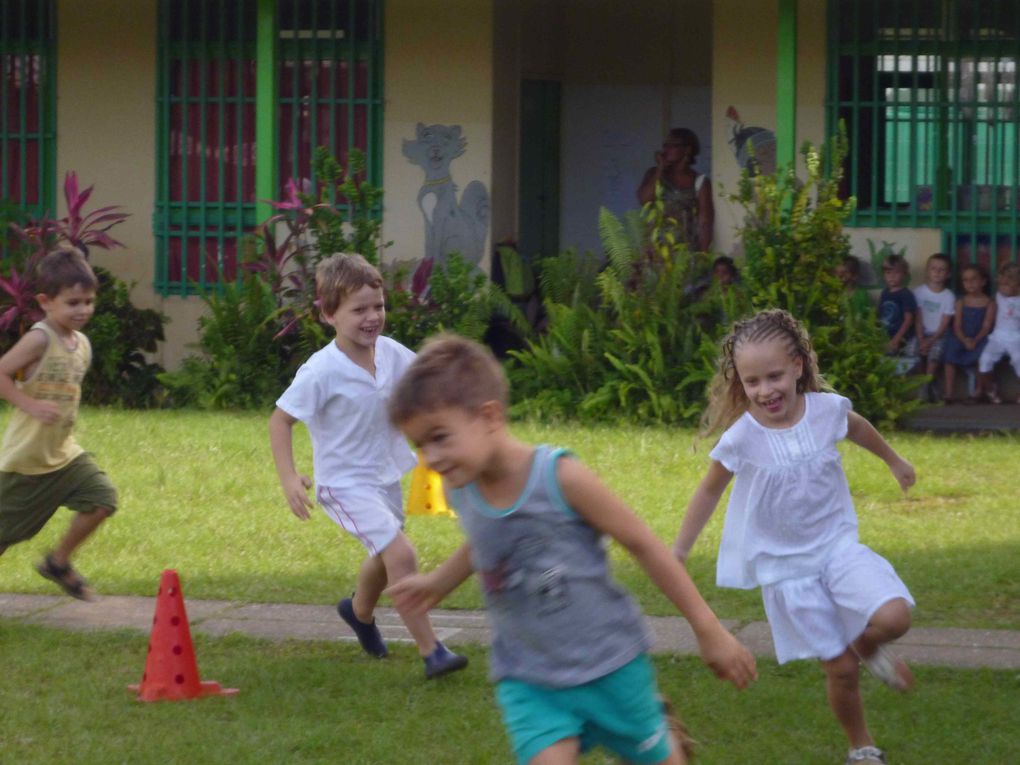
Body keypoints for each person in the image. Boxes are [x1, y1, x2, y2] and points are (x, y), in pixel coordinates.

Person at [387, 334, 756, 765]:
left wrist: (707, 627)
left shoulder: (560, 476)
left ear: (488, 416)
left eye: (439, 437)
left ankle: (660, 729)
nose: (430, 457)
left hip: (609, 663)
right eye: (419, 445)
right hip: (528, 674)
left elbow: (642, 543)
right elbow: (489, 541)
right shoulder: (461, 487)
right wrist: (438, 581)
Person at [672, 309, 916, 765]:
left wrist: (894, 460)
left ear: (799, 366)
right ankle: (862, 748)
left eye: (774, 376)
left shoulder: (826, 411)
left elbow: (858, 428)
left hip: (838, 548)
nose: (765, 391)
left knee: (895, 616)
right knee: (840, 671)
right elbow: (708, 490)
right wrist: (680, 549)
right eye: (752, 382)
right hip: (787, 572)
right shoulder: (743, 436)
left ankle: (868, 646)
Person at [268, 253, 467, 679]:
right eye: (358, 309)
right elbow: (281, 420)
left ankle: (358, 612)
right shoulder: (321, 370)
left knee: (385, 553)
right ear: (328, 314)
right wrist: (289, 477)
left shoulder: (393, 354)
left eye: (377, 306)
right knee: (401, 552)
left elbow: (427, 381)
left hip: (386, 477)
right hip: (342, 485)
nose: (372, 317)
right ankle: (431, 651)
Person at [0, 246, 116, 601]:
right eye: (73, 303)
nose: (83, 310)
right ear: (46, 301)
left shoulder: (81, 344)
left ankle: (57, 562)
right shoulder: (39, 339)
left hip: (64, 456)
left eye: (88, 302)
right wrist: (30, 404)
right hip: (26, 461)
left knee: (102, 499)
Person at [636, 128, 714, 252]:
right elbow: (644, 199)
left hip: (685, 252)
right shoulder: (654, 174)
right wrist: (660, 168)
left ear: (687, 149)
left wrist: (702, 256)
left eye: (673, 146)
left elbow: (705, 223)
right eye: (665, 146)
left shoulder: (700, 182)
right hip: (655, 251)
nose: (666, 150)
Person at [942, 263, 994, 403]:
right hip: (961, 336)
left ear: (983, 281)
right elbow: (957, 325)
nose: (969, 283)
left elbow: (986, 326)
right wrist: (964, 339)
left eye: (973, 279)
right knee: (949, 354)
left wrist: (975, 340)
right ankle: (949, 393)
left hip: (980, 337)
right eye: (965, 280)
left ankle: (978, 392)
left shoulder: (989, 302)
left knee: (984, 355)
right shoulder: (961, 301)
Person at [912, 253, 956, 400]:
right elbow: (917, 318)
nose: (937, 272)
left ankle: (925, 387)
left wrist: (931, 341)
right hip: (920, 333)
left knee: (934, 356)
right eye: (933, 268)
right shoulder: (918, 292)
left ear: (948, 274)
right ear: (927, 271)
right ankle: (926, 382)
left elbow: (945, 323)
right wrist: (921, 338)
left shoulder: (948, 296)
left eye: (941, 270)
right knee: (913, 351)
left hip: (938, 335)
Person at [976, 262, 1020, 404]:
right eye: (1000, 284)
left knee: (1019, 360)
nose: (1001, 288)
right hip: (998, 336)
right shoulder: (999, 296)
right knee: (984, 360)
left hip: (1016, 337)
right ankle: (991, 389)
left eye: (1006, 285)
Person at [877, 254, 918, 373]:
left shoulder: (905, 294)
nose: (892, 277)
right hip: (886, 337)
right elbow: (879, 315)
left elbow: (909, 319)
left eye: (896, 273)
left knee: (902, 367)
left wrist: (897, 339)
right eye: (888, 273)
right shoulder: (885, 293)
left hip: (902, 338)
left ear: (904, 274)